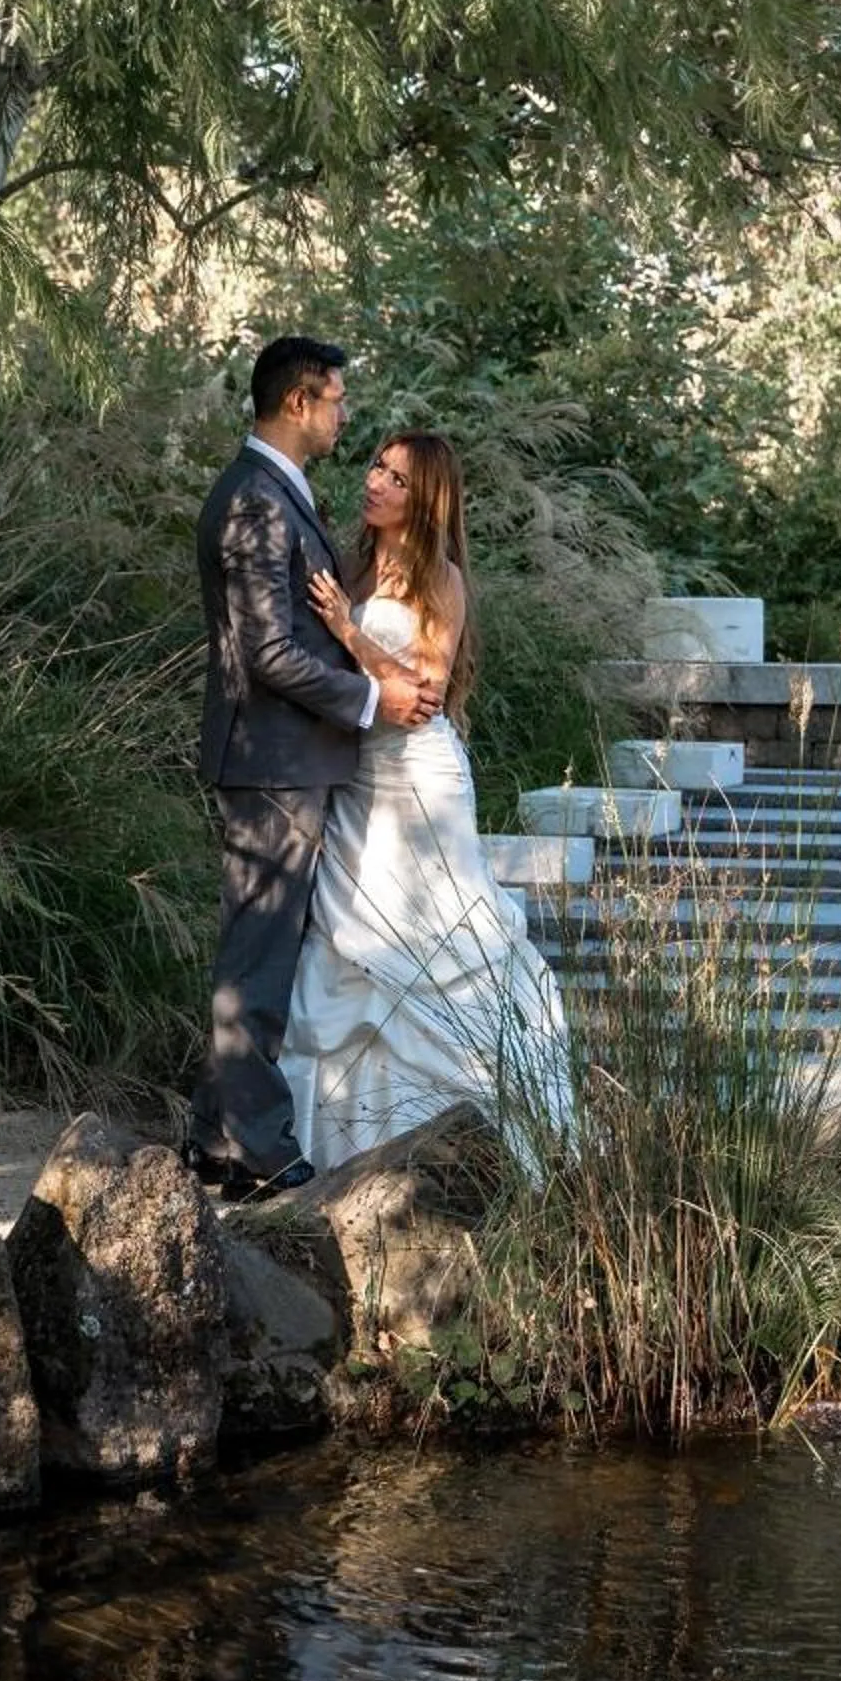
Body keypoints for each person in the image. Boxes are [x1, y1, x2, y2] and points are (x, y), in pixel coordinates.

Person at [283, 429, 574, 1171]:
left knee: (447, 941)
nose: (375, 481)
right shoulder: (347, 568)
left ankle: (484, 1148)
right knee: (347, 950)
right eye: (377, 466)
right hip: (357, 780)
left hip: (420, 779)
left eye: (398, 478)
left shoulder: (439, 577)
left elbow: (427, 694)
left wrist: (350, 633)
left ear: (427, 498)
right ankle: (348, 1157)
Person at [189, 337, 440, 1199]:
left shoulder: (274, 491)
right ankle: (258, 1151)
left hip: (286, 758)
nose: (343, 415)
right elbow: (266, 651)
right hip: (273, 761)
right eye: (335, 401)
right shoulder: (257, 499)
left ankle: (215, 1137)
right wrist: (372, 705)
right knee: (257, 960)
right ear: (299, 403)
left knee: (259, 951)